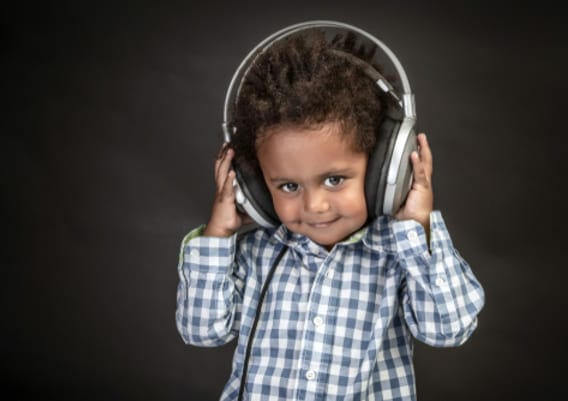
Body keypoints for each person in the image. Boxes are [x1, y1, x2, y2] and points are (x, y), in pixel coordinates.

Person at [176, 26, 484, 401]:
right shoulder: (257, 252)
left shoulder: (399, 254)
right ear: (254, 184)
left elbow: (448, 328)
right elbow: (201, 330)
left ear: (383, 171)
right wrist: (218, 236)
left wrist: (417, 226)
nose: (314, 206)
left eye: (335, 179)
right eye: (288, 186)